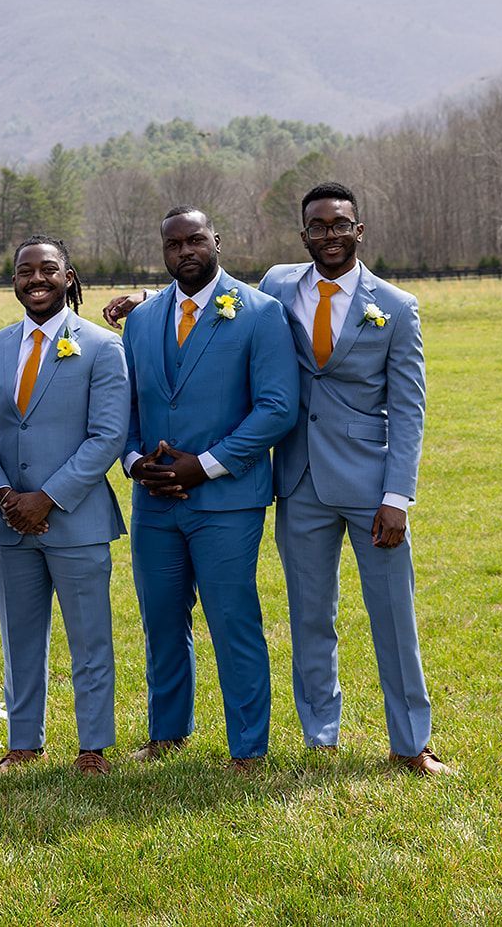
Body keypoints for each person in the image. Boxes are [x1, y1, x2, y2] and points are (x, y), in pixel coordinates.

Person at [258, 182, 447, 776]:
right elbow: (214, 300)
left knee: (393, 615)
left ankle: (411, 743)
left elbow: (409, 406)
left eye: (341, 225)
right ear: (304, 234)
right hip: (298, 479)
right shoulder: (277, 286)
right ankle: (320, 737)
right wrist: (146, 300)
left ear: (358, 231)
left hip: (371, 488)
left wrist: (397, 497)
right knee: (311, 615)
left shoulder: (395, 305)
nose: (330, 235)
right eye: (318, 226)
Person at [119, 207, 298, 770]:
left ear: (217, 241)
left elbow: (277, 407)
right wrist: (131, 461)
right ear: (163, 252)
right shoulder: (142, 320)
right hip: (154, 503)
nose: (185, 251)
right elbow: (125, 408)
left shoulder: (260, 313)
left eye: (195, 240)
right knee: (161, 619)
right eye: (173, 244)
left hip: (227, 499)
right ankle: (168, 730)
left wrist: (209, 464)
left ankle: (249, 746)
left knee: (232, 619)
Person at [0, 235, 129, 776]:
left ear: (69, 276)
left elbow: (107, 436)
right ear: (14, 280)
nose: (35, 279)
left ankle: (93, 744)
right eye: (24, 271)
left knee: (90, 637)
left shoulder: (101, 346)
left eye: (47, 269)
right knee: (19, 636)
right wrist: (1, 496)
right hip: (9, 522)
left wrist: (47, 498)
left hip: (76, 517)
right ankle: (24, 741)